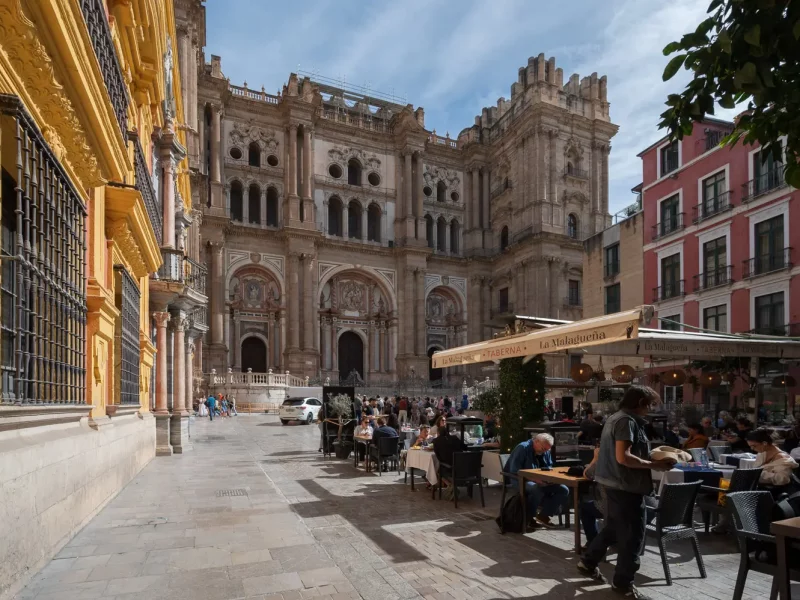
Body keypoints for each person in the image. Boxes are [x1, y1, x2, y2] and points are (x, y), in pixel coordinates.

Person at [577, 385, 675, 598]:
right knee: (632, 537)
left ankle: (588, 562)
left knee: (613, 528)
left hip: (613, 484)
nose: (650, 409)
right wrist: (654, 465)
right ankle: (623, 584)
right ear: (640, 403)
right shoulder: (626, 422)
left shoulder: (616, 418)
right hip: (625, 486)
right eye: (650, 405)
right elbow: (624, 457)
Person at [506, 433, 568, 528]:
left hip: (540, 479)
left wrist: (551, 479)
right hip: (521, 480)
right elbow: (515, 471)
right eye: (543, 449)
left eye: (547, 450)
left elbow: (549, 467)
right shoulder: (522, 448)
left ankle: (544, 515)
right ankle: (530, 518)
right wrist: (534, 479)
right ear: (536, 441)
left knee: (563, 489)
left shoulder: (545, 450)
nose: (544, 452)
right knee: (537, 489)